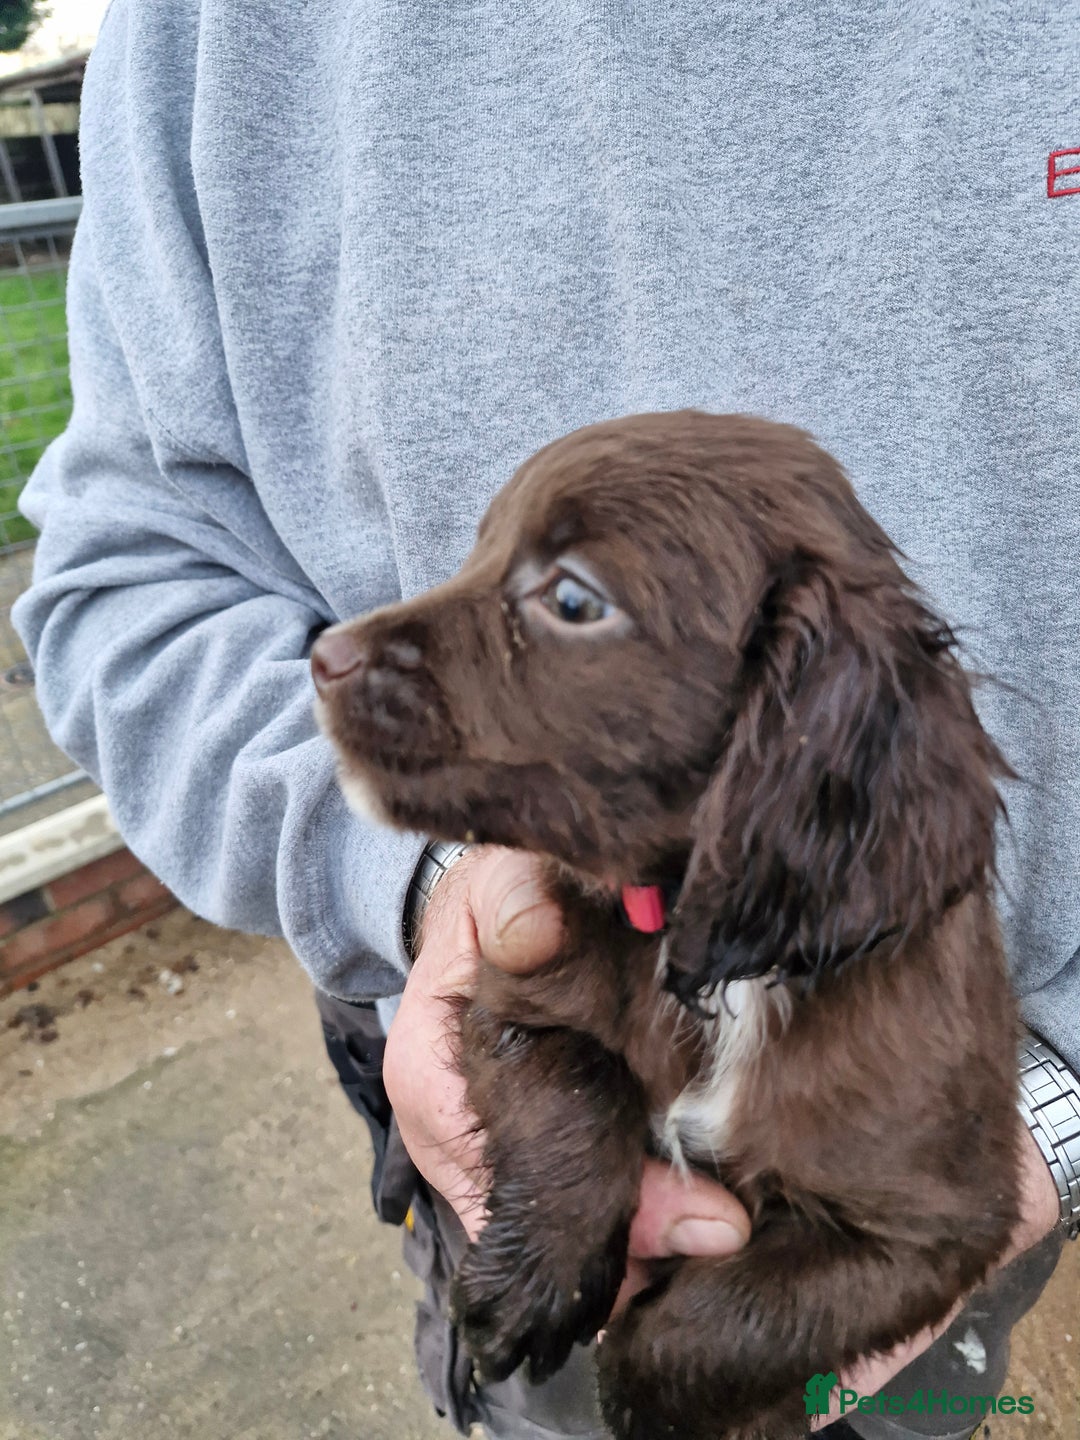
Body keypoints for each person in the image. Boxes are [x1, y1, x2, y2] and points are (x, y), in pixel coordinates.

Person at [13, 4, 1079, 1439]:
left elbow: (922, 1217)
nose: (350, 656)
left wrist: (1057, 1104)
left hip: (983, 1103)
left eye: (564, 602)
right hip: (479, 1101)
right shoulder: (223, 31)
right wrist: (429, 886)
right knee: (520, 1369)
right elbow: (137, 560)